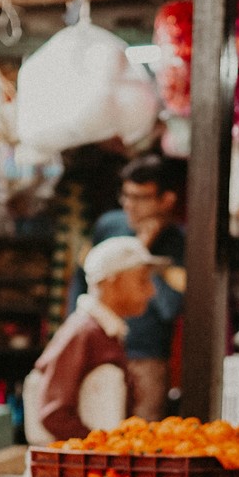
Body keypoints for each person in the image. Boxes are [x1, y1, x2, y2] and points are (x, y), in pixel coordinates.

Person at [68, 154, 185, 421]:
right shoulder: (109, 225)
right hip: (97, 351)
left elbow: (170, 308)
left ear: (166, 200)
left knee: (139, 439)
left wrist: (143, 254)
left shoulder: (179, 243)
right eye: (126, 196)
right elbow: (81, 282)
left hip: (145, 357)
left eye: (139, 198)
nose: (129, 206)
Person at [26, 236, 166, 444]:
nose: (151, 291)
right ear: (112, 282)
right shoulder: (84, 332)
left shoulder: (103, 331)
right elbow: (53, 412)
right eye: (142, 280)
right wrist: (102, 448)